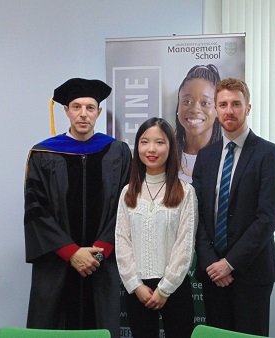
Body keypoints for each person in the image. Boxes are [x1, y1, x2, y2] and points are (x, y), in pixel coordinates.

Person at [24, 78, 131, 338]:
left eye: (90, 107)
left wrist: (100, 251)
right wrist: (71, 252)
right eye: (76, 107)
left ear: (98, 112)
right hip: (58, 263)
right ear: (66, 111)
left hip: (101, 263)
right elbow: (36, 210)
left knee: (101, 327)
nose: (83, 113)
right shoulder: (43, 154)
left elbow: (126, 204)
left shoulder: (117, 151)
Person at [192, 78, 275, 336]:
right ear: (215, 109)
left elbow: (267, 218)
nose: (229, 110)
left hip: (252, 273)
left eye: (236, 104)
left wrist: (230, 263)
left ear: (248, 108)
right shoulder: (206, 156)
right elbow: (197, 215)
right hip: (213, 276)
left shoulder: (268, 154)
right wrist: (212, 263)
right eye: (223, 104)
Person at [115, 117, 198, 338]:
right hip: (138, 290)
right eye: (144, 142)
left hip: (175, 289)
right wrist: (136, 285)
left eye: (160, 142)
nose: (151, 149)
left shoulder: (185, 192)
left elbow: (185, 244)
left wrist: (165, 288)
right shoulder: (128, 192)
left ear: (171, 147)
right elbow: (122, 242)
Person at [175, 64, 222, 183]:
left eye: (205, 103)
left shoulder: (227, 159)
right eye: (187, 101)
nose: (195, 109)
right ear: (178, 107)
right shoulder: (165, 156)